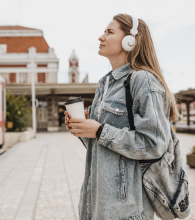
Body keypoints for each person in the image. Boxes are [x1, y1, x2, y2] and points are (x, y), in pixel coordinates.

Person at [64, 14, 179, 220]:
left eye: (109, 32)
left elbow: (154, 144)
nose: (101, 37)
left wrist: (99, 130)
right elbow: (102, 147)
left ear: (130, 40)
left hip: (126, 210)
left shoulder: (143, 80)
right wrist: (83, 129)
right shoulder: (105, 84)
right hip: (96, 204)